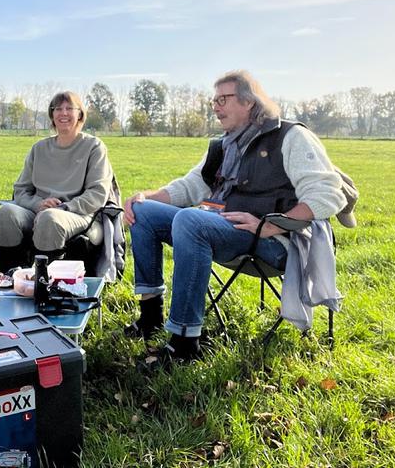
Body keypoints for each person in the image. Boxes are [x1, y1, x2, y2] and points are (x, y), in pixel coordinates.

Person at [122, 70, 347, 362]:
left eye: (223, 99)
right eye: (213, 101)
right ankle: (151, 315)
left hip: (275, 242)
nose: (215, 107)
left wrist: (270, 226)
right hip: (224, 229)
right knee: (144, 212)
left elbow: (328, 193)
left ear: (249, 102)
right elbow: (192, 185)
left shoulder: (290, 136)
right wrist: (147, 196)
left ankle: (185, 343)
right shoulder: (223, 145)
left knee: (190, 220)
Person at [0, 91, 116, 272]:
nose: (63, 113)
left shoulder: (94, 147)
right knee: (6, 213)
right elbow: (21, 190)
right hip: (38, 210)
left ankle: (47, 287)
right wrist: (38, 204)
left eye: (69, 108)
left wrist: (63, 208)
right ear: (52, 115)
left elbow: (97, 193)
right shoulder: (39, 148)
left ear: (80, 114)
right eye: (58, 108)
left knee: (50, 219)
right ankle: (12, 280)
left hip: (77, 213)